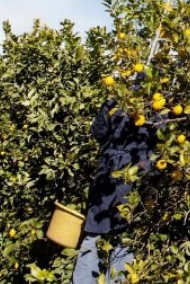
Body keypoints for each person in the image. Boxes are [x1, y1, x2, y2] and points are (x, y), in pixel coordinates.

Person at [72, 98, 157, 284]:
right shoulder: (131, 102)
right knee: (111, 238)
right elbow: (98, 131)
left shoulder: (131, 102)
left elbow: (98, 131)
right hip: (120, 178)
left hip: (121, 179)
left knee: (107, 237)